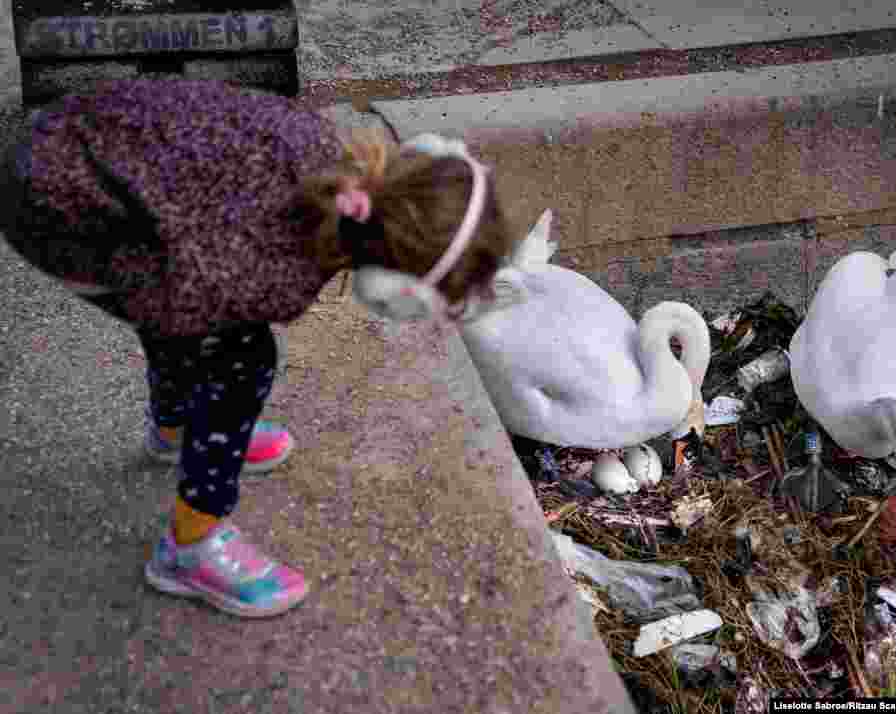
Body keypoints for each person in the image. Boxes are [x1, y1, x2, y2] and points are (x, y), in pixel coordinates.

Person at [0, 79, 516, 618]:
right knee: (239, 361)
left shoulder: (320, 150)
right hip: (57, 216)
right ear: (394, 288)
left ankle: (175, 429)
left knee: (183, 305)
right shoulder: (273, 268)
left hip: (66, 140)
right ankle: (190, 545)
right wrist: (213, 392)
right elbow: (182, 305)